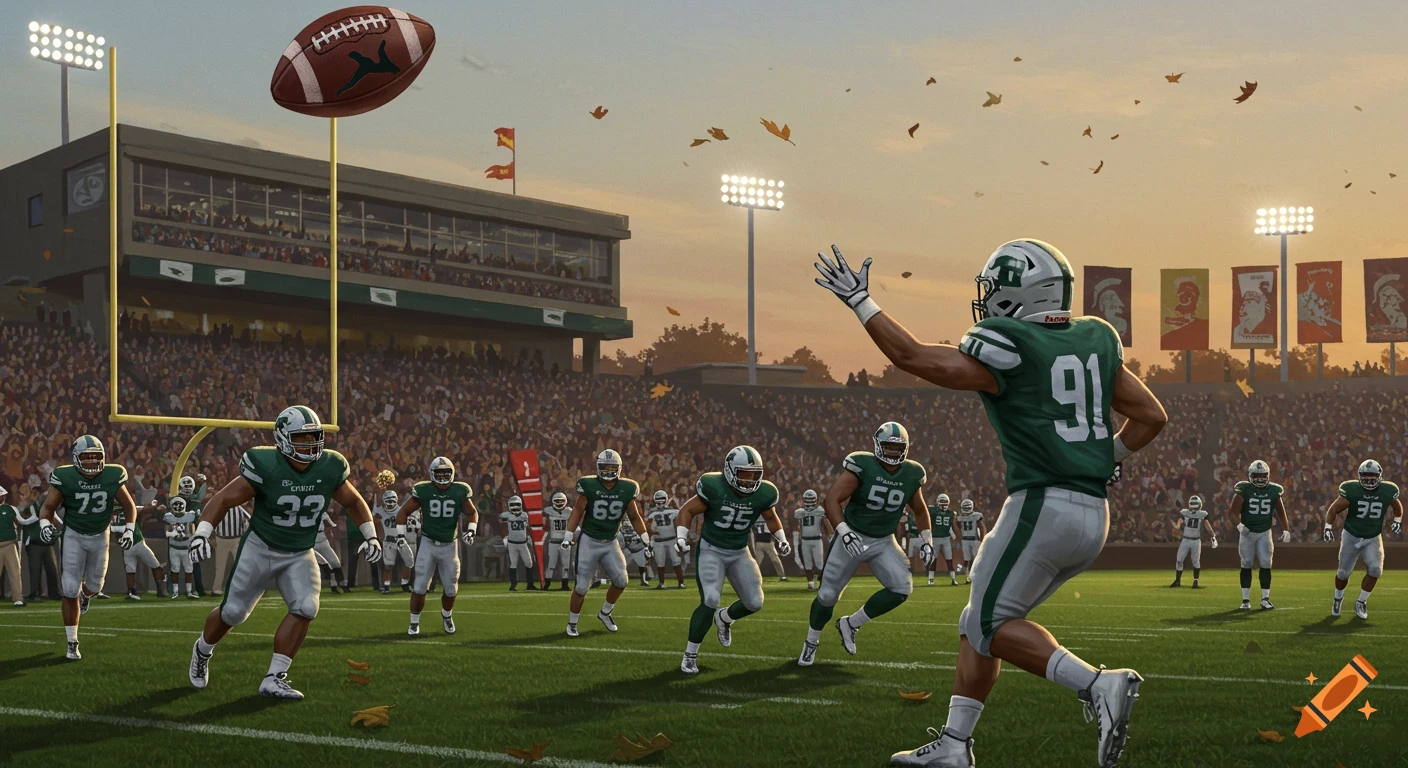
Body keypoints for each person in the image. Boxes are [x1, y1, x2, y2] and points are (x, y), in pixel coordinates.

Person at [814, 240, 1167, 768]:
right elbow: (1152, 416)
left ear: (1019, 292)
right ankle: (955, 746)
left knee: (988, 623)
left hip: (1041, 506)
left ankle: (1097, 684)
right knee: (978, 620)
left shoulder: (1011, 342)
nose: (988, 300)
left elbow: (913, 357)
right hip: (1093, 514)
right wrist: (1108, 456)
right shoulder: (1096, 338)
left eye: (995, 289)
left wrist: (863, 302)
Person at [185, 406, 383, 700]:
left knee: (306, 607)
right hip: (260, 547)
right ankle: (203, 649)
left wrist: (371, 536)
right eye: (302, 439)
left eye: (314, 437)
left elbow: (353, 502)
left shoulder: (329, 466)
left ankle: (274, 677)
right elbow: (224, 498)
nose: (311, 444)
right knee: (234, 613)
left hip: (301, 551)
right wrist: (202, 533)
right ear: (282, 439)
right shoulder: (266, 464)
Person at [798, 422, 931, 666]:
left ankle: (851, 623)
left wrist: (926, 540)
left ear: (906, 448)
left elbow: (920, 509)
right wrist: (844, 531)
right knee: (827, 596)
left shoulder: (912, 473)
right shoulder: (862, 465)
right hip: (853, 536)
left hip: (884, 540)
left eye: (896, 448)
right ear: (877, 446)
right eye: (888, 447)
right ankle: (811, 642)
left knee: (902, 588)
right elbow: (832, 500)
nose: (892, 452)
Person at [674, 446, 790, 675]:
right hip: (712, 550)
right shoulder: (713, 486)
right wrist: (680, 536)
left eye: (754, 474)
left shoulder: (764, 493)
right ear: (729, 471)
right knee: (710, 599)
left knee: (755, 602)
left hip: (739, 551)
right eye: (744, 474)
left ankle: (725, 618)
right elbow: (687, 511)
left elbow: (771, 517)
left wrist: (782, 538)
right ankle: (690, 655)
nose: (750, 480)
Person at [36, 435, 141, 661]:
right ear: (76, 458)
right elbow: (47, 508)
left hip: (100, 535)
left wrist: (130, 529)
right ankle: (72, 642)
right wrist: (45, 524)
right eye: (87, 457)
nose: (93, 462)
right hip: (74, 534)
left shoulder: (113, 474)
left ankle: (87, 594)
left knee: (95, 584)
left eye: (96, 457)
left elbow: (129, 505)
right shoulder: (66, 476)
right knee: (69, 587)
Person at [558, 449, 650, 637]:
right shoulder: (588, 485)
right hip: (589, 540)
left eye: (612, 468)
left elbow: (634, 515)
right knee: (582, 587)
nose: (608, 471)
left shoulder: (627, 488)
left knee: (621, 580)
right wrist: (568, 535)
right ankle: (572, 623)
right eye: (604, 468)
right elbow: (578, 510)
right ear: (597, 468)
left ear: (619, 468)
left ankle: (605, 612)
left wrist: (646, 538)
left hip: (610, 541)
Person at [392, 456, 476, 636]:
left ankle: (447, 615)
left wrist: (471, 530)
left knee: (451, 588)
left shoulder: (460, 490)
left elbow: (472, 512)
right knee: (420, 586)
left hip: (449, 546)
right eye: (440, 474)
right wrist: (400, 535)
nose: (444, 478)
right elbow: (404, 512)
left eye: (447, 474)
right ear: (432, 474)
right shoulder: (424, 490)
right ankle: (414, 622)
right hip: (428, 543)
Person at [1322, 460, 1403, 620]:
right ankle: (1338, 598)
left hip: (1373, 536)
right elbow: (1334, 508)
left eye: (1372, 476)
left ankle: (1361, 602)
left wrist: (1397, 520)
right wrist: (1327, 527)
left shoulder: (1388, 490)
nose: (1368, 480)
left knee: (1375, 570)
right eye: (1365, 476)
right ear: (1359, 476)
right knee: (1343, 573)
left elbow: (1396, 505)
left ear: (1379, 477)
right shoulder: (1351, 490)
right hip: (1351, 535)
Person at [1224, 459, 1292, 610]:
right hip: (1247, 532)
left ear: (1268, 475)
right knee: (1246, 564)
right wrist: (1239, 525)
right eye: (1257, 475)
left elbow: (1281, 511)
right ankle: (1245, 600)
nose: (1260, 479)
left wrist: (1286, 528)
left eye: (1263, 475)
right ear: (1250, 475)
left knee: (1266, 564)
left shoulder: (1274, 490)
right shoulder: (1244, 489)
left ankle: (1265, 599)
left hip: (1264, 532)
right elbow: (1232, 512)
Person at [119, 499, 168, 600]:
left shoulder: (116, 513)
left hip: (127, 546)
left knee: (130, 570)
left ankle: (131, 591)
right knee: (155, 565)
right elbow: (145, 510)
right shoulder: (130, 510)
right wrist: (155, 507)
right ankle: (161, 589)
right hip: (137, 542)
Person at [1170, 496, 1215, 588]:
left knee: (1181, 560)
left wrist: (1177, 527)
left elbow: (1179, 523)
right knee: (1194, 561)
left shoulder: (1185, 512)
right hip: (1192, 540)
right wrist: (1213, 536)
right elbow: (1208, 527)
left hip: (1189, 540)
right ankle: (1191, 582)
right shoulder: (1202, 514)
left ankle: (1184, 581)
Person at [646, 490, 686, 589]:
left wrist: (651, 531)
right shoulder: (674, 511)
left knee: (673, 561)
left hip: (668, 539)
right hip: (664, 540)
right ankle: (667, 583)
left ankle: (677, 582)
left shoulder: (651, 512)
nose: (660, 501)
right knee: (663, 563)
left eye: (661, 499)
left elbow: (646, 524)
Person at [792, 489, 830, 591]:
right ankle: (810, 583)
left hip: (817, 540)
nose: (809, 501)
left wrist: (830, 534)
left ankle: (822, 583)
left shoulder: (820, 511)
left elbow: (825, 523)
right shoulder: (800, 512)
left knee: (819, 564)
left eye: (811, 499)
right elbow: (795, 523)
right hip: (805, 540)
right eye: (807, 499)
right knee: (807, 564)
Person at [500, 495, 537, 591]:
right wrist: (504, 537)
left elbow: (528, 527)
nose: (515, 507)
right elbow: (501, 523)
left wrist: (529, 537)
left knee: (529, 563)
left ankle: (530, 584)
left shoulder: (524, 515)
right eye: (513, 504)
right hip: (512, 543)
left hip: (523, 543)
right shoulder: (506, 515)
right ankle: (513, 585)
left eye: (517, 504)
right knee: (513, 564)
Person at [927, 493, 959, 587]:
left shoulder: (951, 513)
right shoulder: (933, 510)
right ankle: (930, 579)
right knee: (933, 559)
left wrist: (956, 536)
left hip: (946, 538)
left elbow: (953, 526)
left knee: (949, 559)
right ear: (937, 502)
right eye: (942, 502)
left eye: (945, 502)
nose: (943, 504)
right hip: (935, 537)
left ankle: (953, 579)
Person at [542, 491, 573, 590]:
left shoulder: (569, 511)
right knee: (551, 564)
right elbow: (544, 523)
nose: (559, 503)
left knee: (566, 564)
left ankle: (565, 584)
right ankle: (547, 584)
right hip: (553, 541)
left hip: (565, 541)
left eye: (561, 501)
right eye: (557, 501)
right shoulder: (548, 511)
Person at [0, 486, 21, 606]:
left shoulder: (10, 508)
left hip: (9, 544)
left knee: (15, 572)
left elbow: (21, 521)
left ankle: (17, 598)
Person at [955, 500, 985, 585]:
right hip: (966, 539)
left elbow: (981, 528)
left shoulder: (975, 516)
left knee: (976, 558)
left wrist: (982, 539)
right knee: (966, 559)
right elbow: (982, 528)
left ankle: (976, 576)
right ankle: (967, 577)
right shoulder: (961, 517)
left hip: (973, 539)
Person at [751, 516, 788, 581]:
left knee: (774, 560)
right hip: (762, 542)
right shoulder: (768, 517)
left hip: (764, 542)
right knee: (758, 562)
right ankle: (782, 576)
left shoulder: (755, 518)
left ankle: (782, 576)